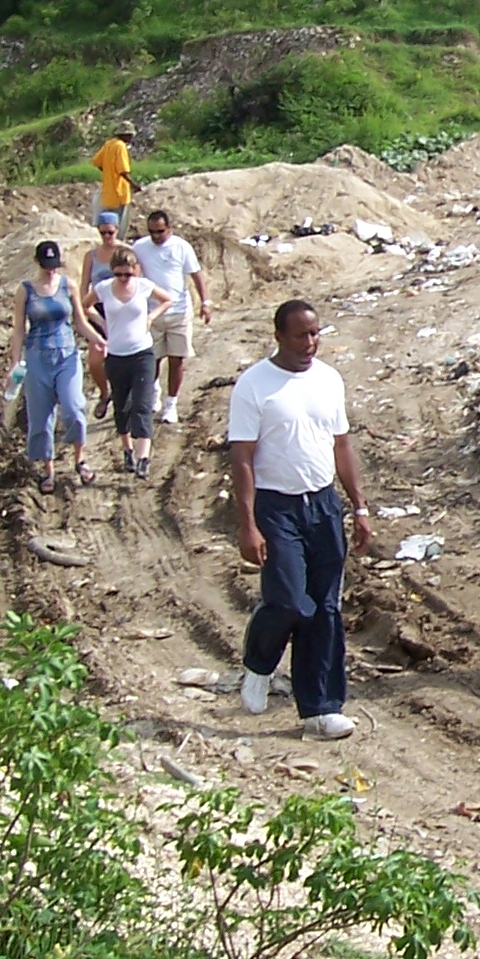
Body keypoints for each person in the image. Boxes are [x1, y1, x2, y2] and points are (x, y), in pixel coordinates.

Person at [228, 299, 374, 740]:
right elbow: (242, 459)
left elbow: (341, 446)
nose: (309, 343)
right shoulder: (254, 386)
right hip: (277, 506)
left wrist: (359, 506)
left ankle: (321, 708)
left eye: (314, 334)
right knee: (290, 601)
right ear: (278, 337)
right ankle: (259, 663)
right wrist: (248, 523)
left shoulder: (328, 380)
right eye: (299, 335)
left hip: (322, 504)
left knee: (325, 609)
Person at [7, 240, 105, 492]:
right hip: (38, 357)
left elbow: (80, 322)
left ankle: (80, 459)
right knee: (41, 417)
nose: (51, 271)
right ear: (37, 263)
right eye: (46, 266)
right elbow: (19, 330)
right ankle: (48, 469)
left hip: (67, 354)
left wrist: (98, 339)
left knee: (74, 408)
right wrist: (15, 363)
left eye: (54, 266)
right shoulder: (25, 290)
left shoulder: (67, 286)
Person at [92, 245, 179, 479]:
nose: (122, 279)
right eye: (118, 274)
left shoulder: (143, 287)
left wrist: (151, 316)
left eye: (127, 274)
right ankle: (127, 449)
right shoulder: (103, 289)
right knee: (122, 405)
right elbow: (84, 305)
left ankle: (144, 457)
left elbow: (168, 299)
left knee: (142, 403)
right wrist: (101, 324)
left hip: (141, 352)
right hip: (116, 355)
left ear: (135, 271)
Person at [131, 208, 211, 424]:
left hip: (179, 311)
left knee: (177, 359)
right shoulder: (139, 248)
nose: (156, 236)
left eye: (160, 231)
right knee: (152, 359)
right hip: (152, 313)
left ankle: (171, 403)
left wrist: (205, 303)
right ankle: (154, 391)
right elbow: (133, 275)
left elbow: (196, 275)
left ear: (169, 229)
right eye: (152, 232)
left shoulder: (181, 247)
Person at [83, 212, 124, 418]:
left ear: (117, 230)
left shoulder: (126, 252)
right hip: (98, 309)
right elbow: (84, 288)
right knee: (95, 360)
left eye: (110, 232)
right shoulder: (91, 256)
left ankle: (123, 396)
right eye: (102, 233)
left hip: (121, 308)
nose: (107, 237)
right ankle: (104, 392)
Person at [92, 121, 137, 234]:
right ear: (125, 135)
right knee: (118, 223)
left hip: (108, 191)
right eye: (130, 135)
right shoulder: (120, 146)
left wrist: (108, 172)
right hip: (119, 192)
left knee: (107, 220)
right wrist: (134, 185)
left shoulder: (109, 144)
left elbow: (97, 162)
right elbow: (123, 171)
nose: (132, 137)